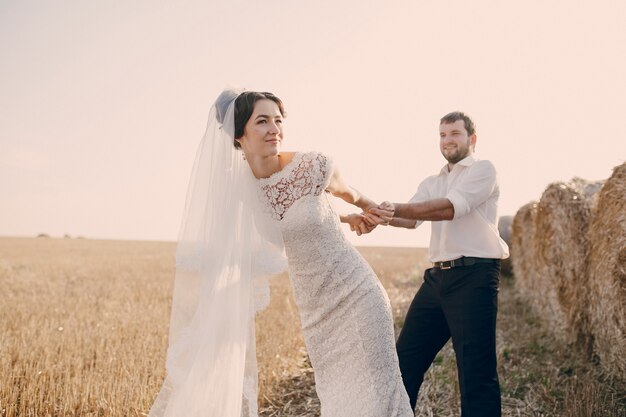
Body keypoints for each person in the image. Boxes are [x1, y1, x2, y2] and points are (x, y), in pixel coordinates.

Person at [148, 89, 413, 417]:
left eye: (278, 120)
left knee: (375, 398)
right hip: (316, 313)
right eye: (262, 121)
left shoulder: (313, 165)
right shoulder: (240, 189)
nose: (275, 128)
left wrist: (373, 214)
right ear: (239, 134)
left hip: (357, 296)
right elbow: (282, 227)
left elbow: (353, 195)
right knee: (340, 402)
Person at [367, 112, 509, 417]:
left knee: (475, 371)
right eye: (442, 135)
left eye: (455, 134)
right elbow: (411, 217)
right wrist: (377, 215)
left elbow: (448, 208)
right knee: (404, 362)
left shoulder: (483, 170)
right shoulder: (433, 181)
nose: (448, 140)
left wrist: (396, 208)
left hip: (474, 276)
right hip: (437, 280)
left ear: (472, 139)